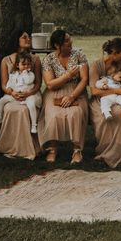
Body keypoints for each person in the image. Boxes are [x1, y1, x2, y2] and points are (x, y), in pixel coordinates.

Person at [39, 29, 89, 164]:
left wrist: (72, 96)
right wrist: (68, 75)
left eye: (69, 38)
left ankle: (77, 150)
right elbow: (50, 84)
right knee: (54, 115)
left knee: (75, 114)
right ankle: (53, 149)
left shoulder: (79, 55)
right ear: (57, 45)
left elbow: (84, 80)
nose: (70, 42)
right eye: (66, 41)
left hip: (76, 90)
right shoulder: (48, 59)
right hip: (55, 92)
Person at [0, 29, 43, 160]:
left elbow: (38, 84)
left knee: (24, 110)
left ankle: (29, 145)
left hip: (31, 94)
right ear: (17, 40)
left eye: (29, 37)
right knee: (9, 108)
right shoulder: (6, 60)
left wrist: (28, 93)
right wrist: (12, 93)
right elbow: (4, 84)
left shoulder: (35, 59)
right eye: (24, 37)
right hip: (13, 95)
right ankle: (9, 144)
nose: (28, 40)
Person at [88, 38, 121, 168]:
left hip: (120, 98)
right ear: (114, 52)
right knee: (109, 115)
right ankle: (106, 152)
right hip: (101, 99)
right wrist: (117, 90)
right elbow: (94, 91)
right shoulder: (96, 65)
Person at [0, 51, 41, 133]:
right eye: (24, 64)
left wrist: (25, 73)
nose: (26, 66)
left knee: (31, 104)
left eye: (28, 64)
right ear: (17, 65)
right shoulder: (14, 73)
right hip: (16, 94)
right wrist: (9, 89)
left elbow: (28, 81)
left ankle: (34, 125)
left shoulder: (30, 74)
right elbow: (10, 82)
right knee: (2, 100)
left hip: (28, 94)